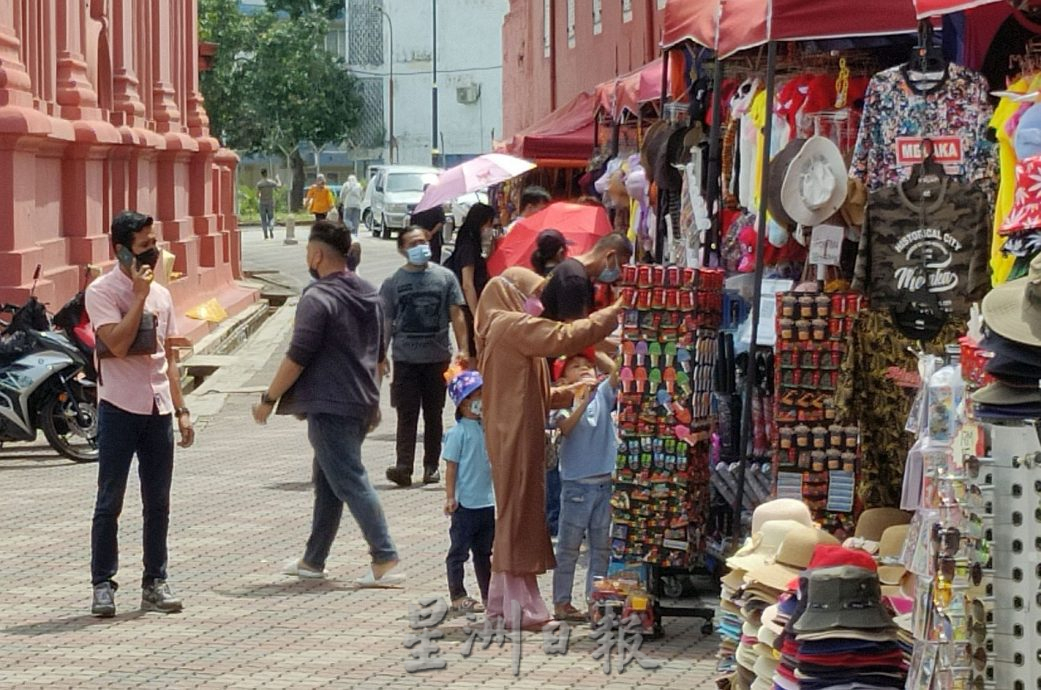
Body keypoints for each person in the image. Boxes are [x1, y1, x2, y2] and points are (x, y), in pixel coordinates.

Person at [252, 220, 403, 587]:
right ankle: (313, 559)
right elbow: (381, 356)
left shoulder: (317, 298)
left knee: (349, 479)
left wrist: (268, 399)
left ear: (317, 254)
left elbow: (297, 356)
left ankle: (384, 556)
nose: (308, 257)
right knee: (328, 480)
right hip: (361, 399)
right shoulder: (371, 294)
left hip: (330, 403)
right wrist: (374, 397)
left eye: (307, 251)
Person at [476, 267, 623, 629]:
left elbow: (528, 391)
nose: (537, 304)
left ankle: (508, 603)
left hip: (515, 432)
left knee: (518, 515)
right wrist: (615, 310)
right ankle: (518, 608)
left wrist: (567, 394)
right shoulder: (510, 324)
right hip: (515, 435)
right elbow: (565, 336)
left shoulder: (500, 325)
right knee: (516, 516)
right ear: (510, 292)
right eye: (532, 294)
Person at [85, 211, 195, 617]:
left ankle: (155, 581)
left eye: (154, 244)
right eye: (144, 247)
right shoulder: (101, 292)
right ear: (122, 252)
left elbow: (168, 356)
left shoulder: (163, 296)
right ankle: (102, 583)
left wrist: (181, 409)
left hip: (157, 408)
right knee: (110, 500)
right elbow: (115, 344)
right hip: (119, 406)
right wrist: (136, 296)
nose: (153, 253)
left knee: (158, 502)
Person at [381, 227, 470, 488]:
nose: (420, 246)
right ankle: (404, 466)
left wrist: (463, 348)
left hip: (437, 357)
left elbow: (456, 314)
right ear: (402, 249)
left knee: (434, 413)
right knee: (406, 414)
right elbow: (386, 320)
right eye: (413, 243)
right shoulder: (393, 283)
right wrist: (380, 352)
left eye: (423, 241)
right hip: (405, 359)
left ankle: (431, 466)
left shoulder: (445, 277)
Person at [549, 350, 618, 622]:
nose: (584, 369)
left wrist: (597, 349)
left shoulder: (603, 393)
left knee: (600, 549)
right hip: (576, 486)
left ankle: (595, 602)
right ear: (563, 377)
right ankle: (562, 602)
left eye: (587, 365)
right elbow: (565, 427)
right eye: (576, 366)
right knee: (568, 548)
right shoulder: (563, 400)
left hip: (604, 484)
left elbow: (618, 371)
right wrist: (580, 397)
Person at [442, 370, 495, 613]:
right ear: (462, 404)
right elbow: (451, 467)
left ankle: (489, 594)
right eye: (475, 396)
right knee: (458, 552)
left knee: (484, 553)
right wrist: (450, 496)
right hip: (465, 505)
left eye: (482, 394)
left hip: (486, 502)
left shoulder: (487, 429)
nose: (481, 400)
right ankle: (457, 594)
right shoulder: (458, 433)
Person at [541, 232, 632, 322]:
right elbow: (575, 331)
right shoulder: (574, 278)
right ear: (610, 256)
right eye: (620, 265)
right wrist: (614, 309)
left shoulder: (576, 272)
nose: (620, 274)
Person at [446, 202, 495, 355]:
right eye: (489, 224)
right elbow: (467, 284)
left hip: (470, 306)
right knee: (473, 352)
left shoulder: (470, 242)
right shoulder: (468, 247)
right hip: (468, 307)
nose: (490, 229)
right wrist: (476, 316)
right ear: (481, 222)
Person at [256, 169, 282, 239]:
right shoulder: (271, 182)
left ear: (261, 174)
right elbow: (279, 186)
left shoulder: (259, 184)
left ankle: (265, 233)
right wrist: (278, 179)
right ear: (267, 174)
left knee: (263, 219)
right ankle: (271, 228)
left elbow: (257, 194)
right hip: (270, 201)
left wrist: (259, 197)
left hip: (262, 202)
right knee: (271, 218)